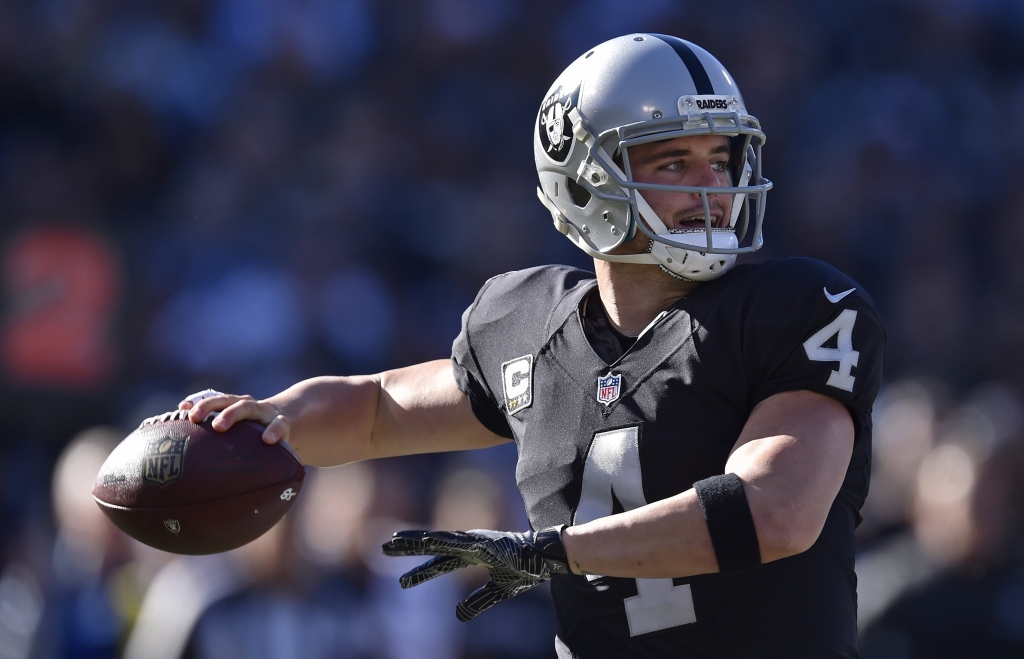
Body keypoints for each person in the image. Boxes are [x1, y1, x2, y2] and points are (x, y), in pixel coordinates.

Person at [181, 34, 885, 658]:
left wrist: (553, 552)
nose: (713, 190)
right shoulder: (525, 323)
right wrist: (270, 421)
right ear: (585, 178)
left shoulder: (799, 307)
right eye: (674, 164)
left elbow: (776, 510)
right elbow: (378, 408)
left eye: (720, 160)